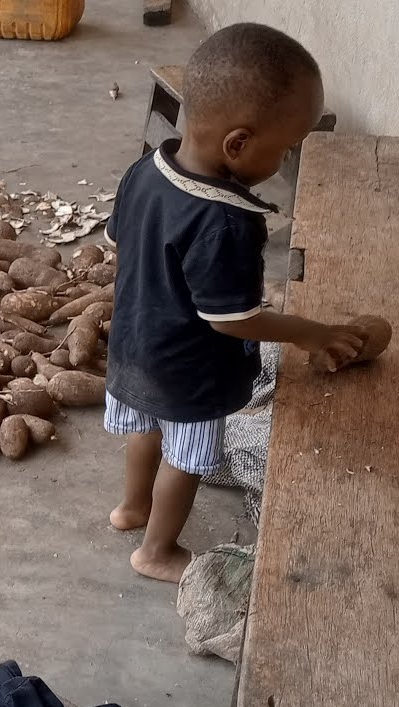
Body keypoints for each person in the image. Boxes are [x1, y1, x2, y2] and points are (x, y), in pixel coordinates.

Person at [102, 23, 365, 583]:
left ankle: (130, 509)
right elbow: (233, 321)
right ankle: (156, 551)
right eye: (286, 146)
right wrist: (308, 332)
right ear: (239, 144)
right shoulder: (227, 220)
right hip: (190, 372)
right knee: (186, 457)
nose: (287, 155)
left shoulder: (145, 169)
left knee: (144, 429)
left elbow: (122, 248)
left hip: (132, 344)